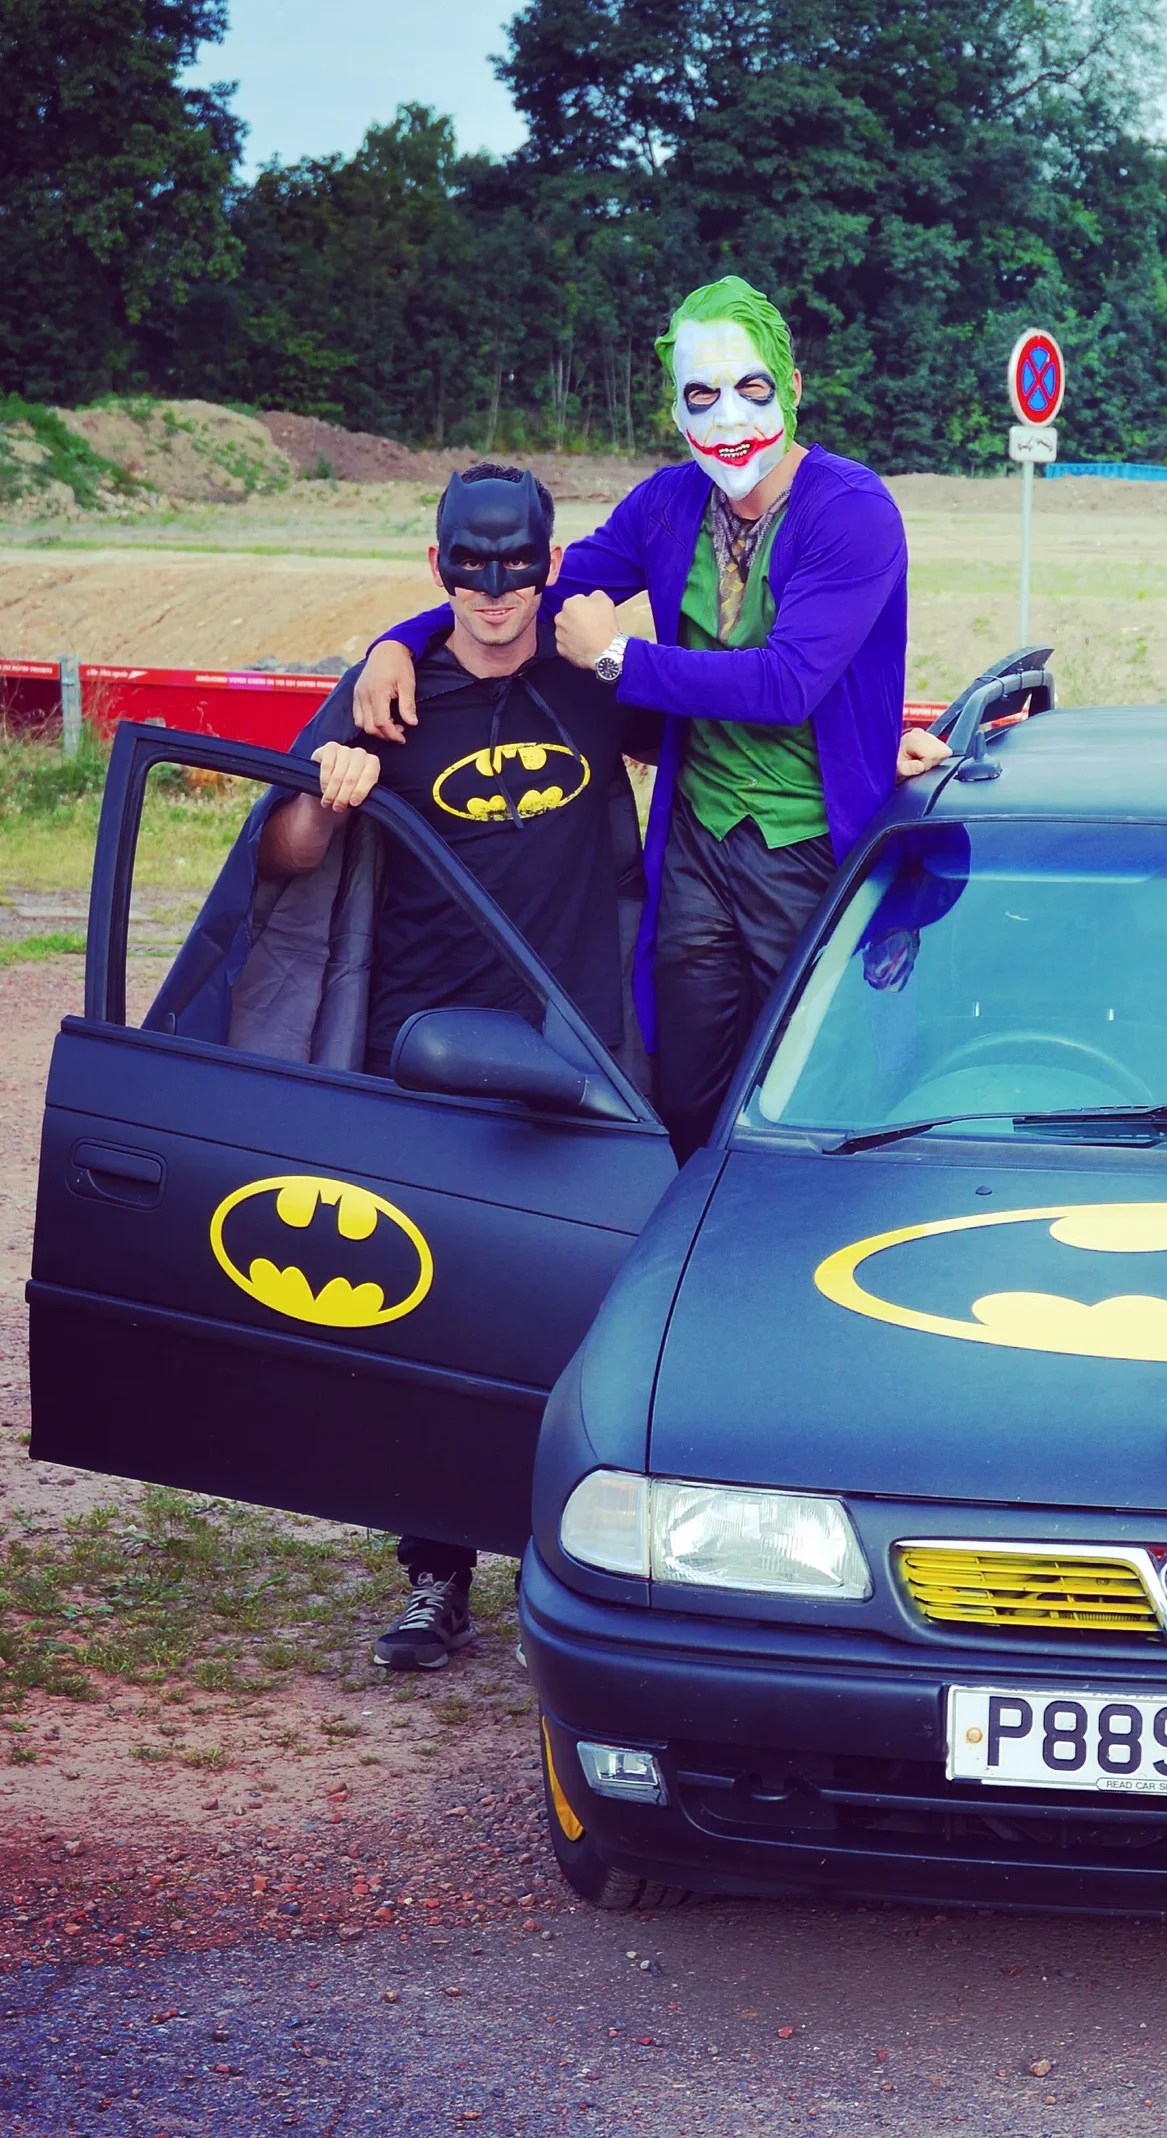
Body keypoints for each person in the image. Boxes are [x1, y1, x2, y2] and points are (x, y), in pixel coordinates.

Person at [350, 274, 948, 1157]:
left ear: (791, 387)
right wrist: (400, 640)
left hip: (813, 842)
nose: (729, 417)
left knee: (805, 1077)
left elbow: (788, 684)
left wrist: (617, 659)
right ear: (675, 409)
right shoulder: (670, 504)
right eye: (701, 395)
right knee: (687, 1080)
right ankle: (680, 1245)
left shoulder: (852, 512)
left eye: (751, 389)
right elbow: (525, 582)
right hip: (699, 847)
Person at [259, 462, 655, 1670]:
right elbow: (276, 857)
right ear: (439, 566)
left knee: (581, 1315)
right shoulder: (391, 695)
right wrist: (328, 800)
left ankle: (575, 1567)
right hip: (420, 1052)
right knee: (424, 1316)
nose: (493, 590)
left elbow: (741, 739)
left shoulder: (592, 682)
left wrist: (892, 738)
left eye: (516, 564)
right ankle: (435, 1577)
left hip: (576, 1047)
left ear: (549, 564)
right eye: (468, 567)